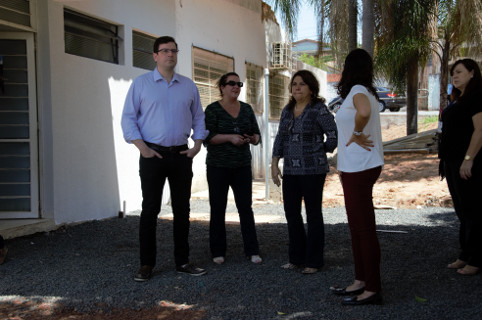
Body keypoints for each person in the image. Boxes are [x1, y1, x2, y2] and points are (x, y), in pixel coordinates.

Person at [121, 36, 208, 281]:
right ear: (155, 56)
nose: (170, 54)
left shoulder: (188, 86)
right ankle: (146, 265)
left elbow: (198, 118)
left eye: (174, 50)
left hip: (181, 154)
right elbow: (128, 118)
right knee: (150, 209)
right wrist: (142, 148)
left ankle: (182, 261)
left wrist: (197, 145)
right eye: (165, 50)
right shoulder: (141, 84)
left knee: (182, 210)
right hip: (152, 155)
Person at [329, 48, 384, 306]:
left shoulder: (359, 91)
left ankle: (372, 288)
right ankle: (361, 280)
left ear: (349, 68)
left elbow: (362, 114)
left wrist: (358, 132)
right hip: (356, 166)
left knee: (364, 229)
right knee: (357, 228)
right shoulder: (365, 91)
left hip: (360, 168)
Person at [271, 70, 337, 274]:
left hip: (313, 170)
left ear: (311, 88)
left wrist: (320, 149)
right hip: (290, 170)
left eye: (302, 84)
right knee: (291, 214)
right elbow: (280, 138)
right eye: (294, 84)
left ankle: (314, 261)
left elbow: (333, 135)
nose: (297, 87)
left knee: (313, 214)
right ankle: (296, 258)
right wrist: (274, 164)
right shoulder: (287, 110)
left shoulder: (318, 109)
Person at [204, 72, 262, 265]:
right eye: (231, 83)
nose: (236, 87)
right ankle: (218, 251)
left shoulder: (246, 109)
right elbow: (207, 137)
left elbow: (257, 135)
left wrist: (252, 138)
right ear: (222, 87)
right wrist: (230, 137)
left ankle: (252, 250)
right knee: (218, 208)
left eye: (239, 83)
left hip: (242, 166)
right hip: (218, 167)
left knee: (245, 208)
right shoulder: (212, 110)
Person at [439, 58, 482, 276]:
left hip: (466, 162)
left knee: (473, 210)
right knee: (462, 210)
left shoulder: (476, 98)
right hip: (451, 162)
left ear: (472, 73)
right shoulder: (458, 98)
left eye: (459, 72)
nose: (455, 76)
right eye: (453, 73)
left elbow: (479, 131)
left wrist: (469, 158)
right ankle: (465, 254)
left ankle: (476, 259)